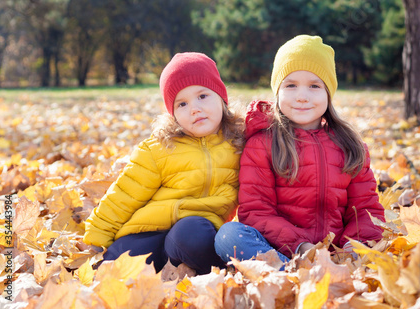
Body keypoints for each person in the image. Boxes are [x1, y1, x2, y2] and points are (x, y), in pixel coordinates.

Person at [214, 35, 385, 264]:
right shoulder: (263, 143)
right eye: (291, 85)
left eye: (314, 86)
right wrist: (301, 247)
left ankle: (333, 275)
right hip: (280, 250)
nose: (302, 96)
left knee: (376, 240)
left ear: (328, 93)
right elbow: (256, 211)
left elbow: (366, 209)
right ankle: (287, 278)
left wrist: (351, 248)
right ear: (278, 92)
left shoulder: (350, 146)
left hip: (336, 253)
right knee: (228, 237)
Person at [83, 52, 244, 274]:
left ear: (221, 97)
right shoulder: (160, 148)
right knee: (114, 270)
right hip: (148, 231)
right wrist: (97, 235)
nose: (194, 108)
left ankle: (211, 273)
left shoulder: (239, 143)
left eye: (203, 96)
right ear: (173, 113)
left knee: (191, 235)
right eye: (182, 104)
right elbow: (124, 196)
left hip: (195, 232)